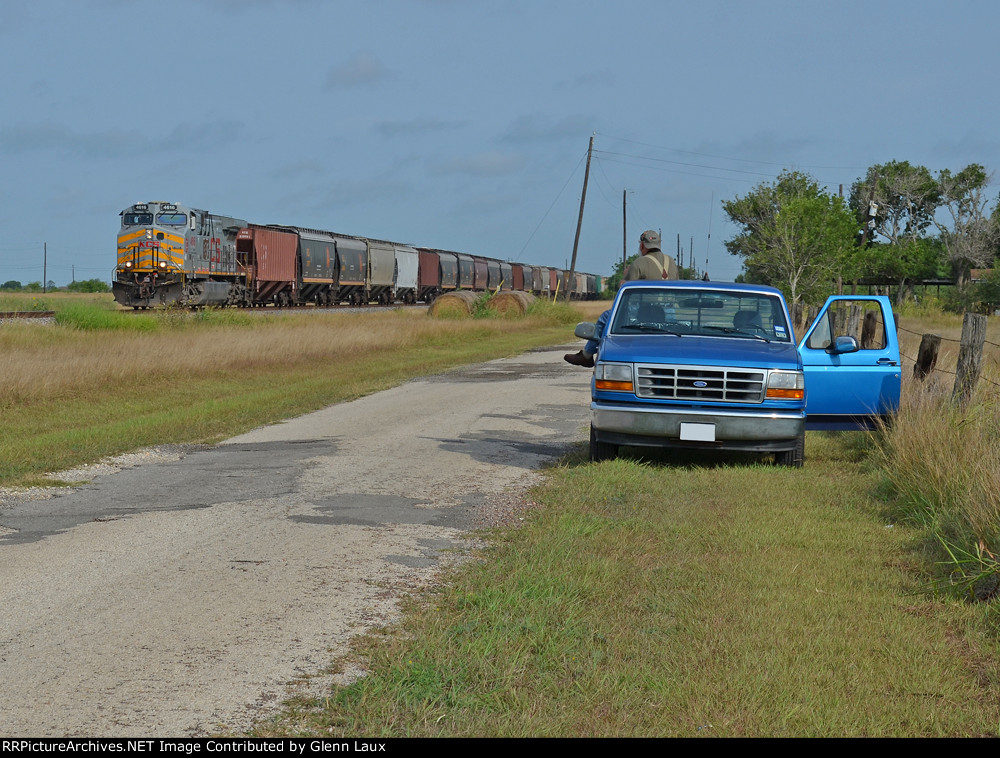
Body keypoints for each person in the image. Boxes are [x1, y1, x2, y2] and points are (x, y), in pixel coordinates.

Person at [564, 229, 678, 367]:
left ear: (642, 245)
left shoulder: (639, 263)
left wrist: (625, 277)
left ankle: (587, 355)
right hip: (669, 313)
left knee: (605, 317)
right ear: (659, 244)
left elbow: (627, 294)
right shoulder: (671, 262)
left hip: (646, 312)